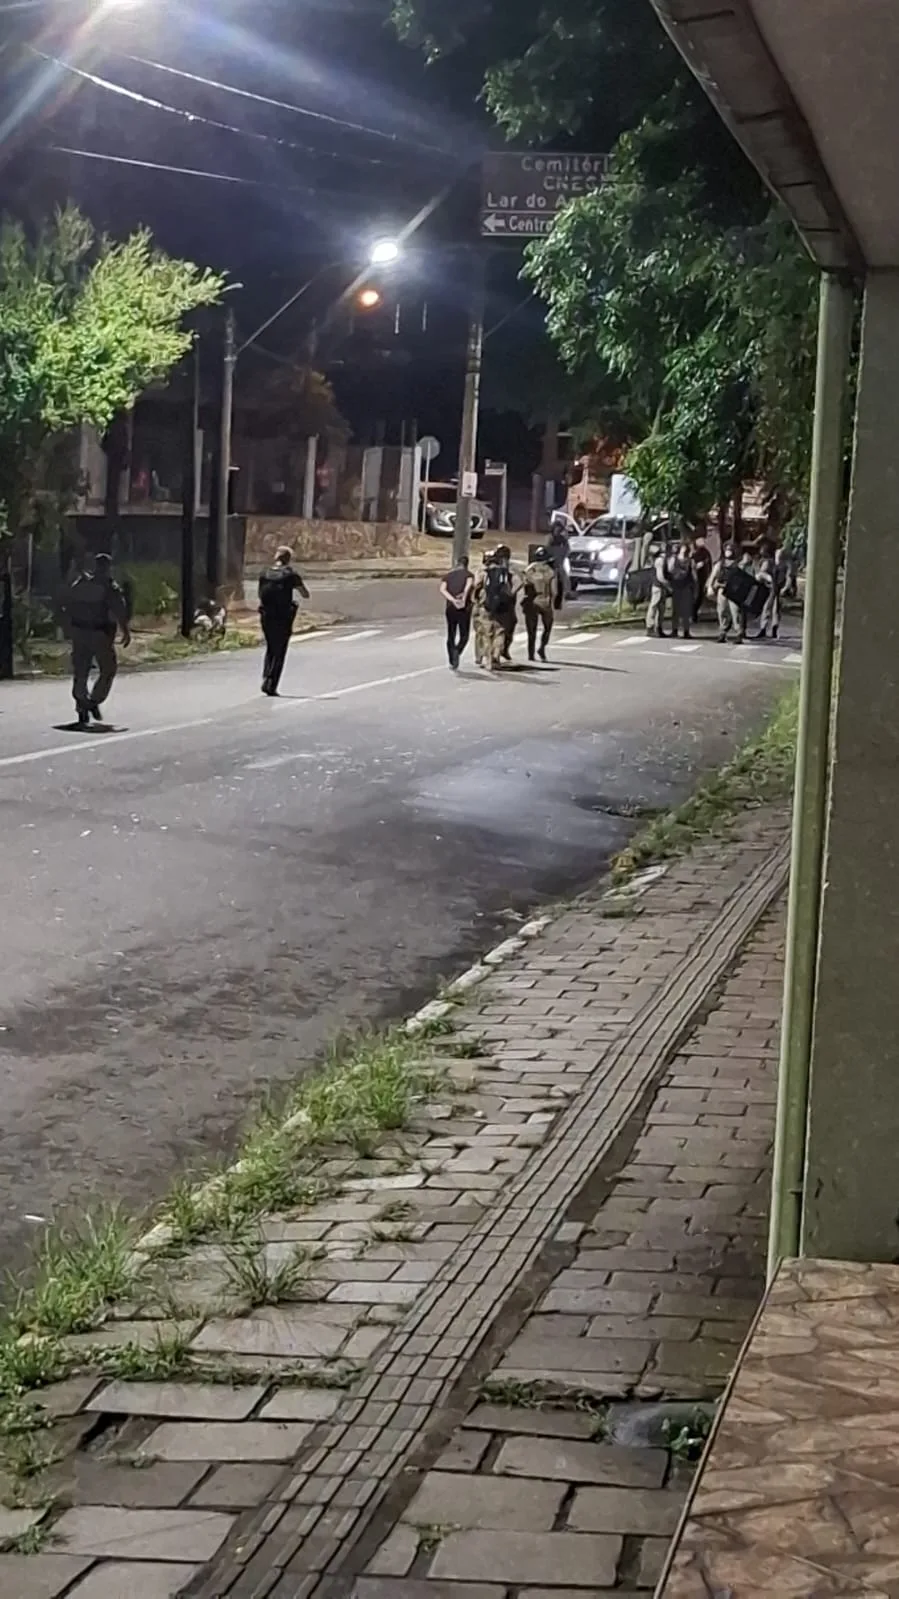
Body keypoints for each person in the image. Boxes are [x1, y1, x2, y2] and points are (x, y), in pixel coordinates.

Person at [65, 552, 130, 726]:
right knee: (108, 669)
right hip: (99, 634)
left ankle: (81, 702)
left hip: (79, 632)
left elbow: (68, 605)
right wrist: (125, 630)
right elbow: (119, 609)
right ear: (108, 567)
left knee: (81, 670)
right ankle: (93, 701)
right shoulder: (108, 587)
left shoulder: (80, 584)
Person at [257, 545, 310, 696]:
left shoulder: (264, 573)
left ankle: (266, 676)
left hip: (266, 615)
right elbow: (305, 594)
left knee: (270, 647)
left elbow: (260, 594)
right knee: (280, 649)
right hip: (283, 616)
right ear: (288, 559)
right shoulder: (291, 575)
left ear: (276, 557)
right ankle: (271, 684)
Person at [473, 548, 512, 672]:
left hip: (486, 606)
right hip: (501, 607)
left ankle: (487, 659)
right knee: (499, 632)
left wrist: (474, 598)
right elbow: (509, 588)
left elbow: (477, 585)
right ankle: (496, 654)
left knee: (486, 633)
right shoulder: (504, 573)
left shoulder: (482, 572)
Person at [522, 546, 556, 662]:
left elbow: (524, 586)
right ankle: (542, 648)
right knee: (547, 627)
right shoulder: (550, 572)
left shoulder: (528, 570)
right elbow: (554, 591)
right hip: (545, 602)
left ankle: (530, 654)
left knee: (531, 630)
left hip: (531, 602)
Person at [440, 556, 474, 670]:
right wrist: (463, 597)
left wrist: (452, 600)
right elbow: (468, 585)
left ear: (456, 563)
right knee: (464, 635)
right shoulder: (469, 575)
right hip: (464, 608)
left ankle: (451, 659)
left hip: (450, 607)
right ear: (467, 564)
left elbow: (442, 589)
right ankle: (457, 652)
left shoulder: (448, 576)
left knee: (451, 633)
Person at [708, 543, 744, 644]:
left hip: (734, 591)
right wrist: (710, 586)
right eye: (727, 549)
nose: (728, 551)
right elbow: (713, 575)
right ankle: (723, 632)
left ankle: (739, 634)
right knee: (722, 611)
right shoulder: (721, 563)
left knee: (736, 612)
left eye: (730, 549)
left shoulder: (738, 564)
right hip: (722, 590)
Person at [669, 543, 698, 639]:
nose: (684, 551)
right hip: (677, 587)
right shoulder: (674, 559)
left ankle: (686, 631)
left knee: (686, 611)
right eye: (683, 549)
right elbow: (670, 570)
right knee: (676, 610)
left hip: (686, 587)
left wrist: (696, 588)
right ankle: (675, 630)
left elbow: (694, 577)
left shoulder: (690, 561)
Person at [645, 546, 671, 638]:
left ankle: (657, 628)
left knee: (660, 608)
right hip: (658, 587)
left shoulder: (661, 560)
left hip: (660, 587)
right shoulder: (660, 561)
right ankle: (651, 627)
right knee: (654, 606)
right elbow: (660, 577)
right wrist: (668, 586)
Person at [691, 535, 713, 624]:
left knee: (700, 596)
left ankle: (693, 613)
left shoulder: (705, 552)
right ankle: (692, 614)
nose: (703, 541)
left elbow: (709, 563)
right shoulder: (694, 552)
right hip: (695, 577)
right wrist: (697, 566)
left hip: (703, 577)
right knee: (695, 596)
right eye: (701, 539)